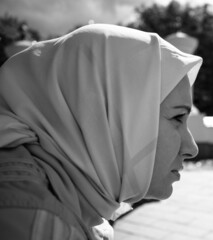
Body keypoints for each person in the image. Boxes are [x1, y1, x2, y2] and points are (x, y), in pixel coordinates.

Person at [0, 24, 202, 239]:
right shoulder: (37, 223)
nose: (192, 149)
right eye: (177, 117)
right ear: (108, 116)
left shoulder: (71, 205)